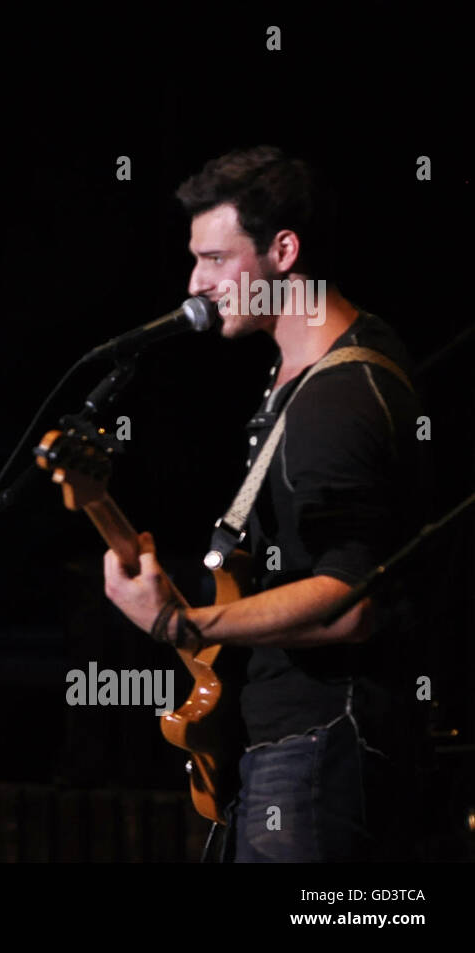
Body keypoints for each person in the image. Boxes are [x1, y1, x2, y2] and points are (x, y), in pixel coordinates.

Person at [102, 146, 424, 861]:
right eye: (195, 260)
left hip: (319, 748)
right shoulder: (298, 378)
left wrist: (179, 623)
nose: (196, 283)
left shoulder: (338, 398)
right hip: (288, 742)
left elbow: (349, 600)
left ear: (283, 250)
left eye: (216, 259)